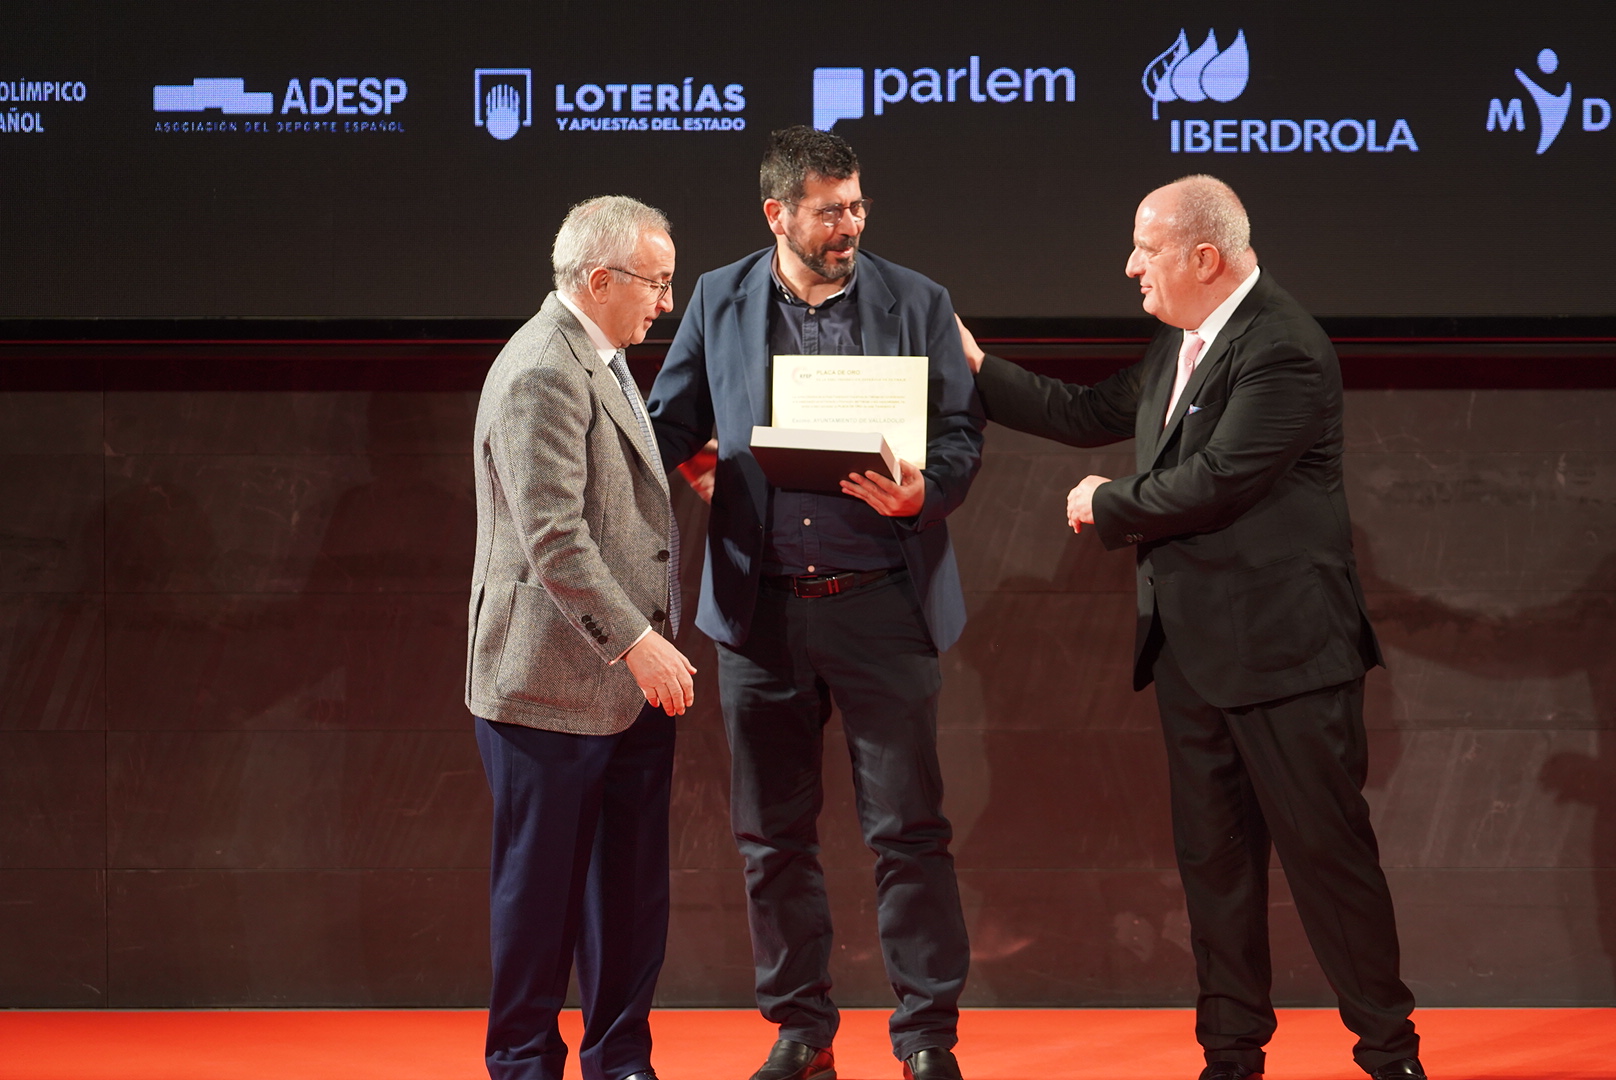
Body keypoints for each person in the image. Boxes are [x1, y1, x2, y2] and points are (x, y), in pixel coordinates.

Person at [956, 175, 1426, 1080]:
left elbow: (1218, 481)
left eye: (1147, 249)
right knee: (1215, 865)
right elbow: (1087, 412)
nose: (1131, 267)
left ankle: (1390, 1052)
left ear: (1204, 258)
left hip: (1287, 659)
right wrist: (979, 371)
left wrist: (1106, 501)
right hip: (1192, 655)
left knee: (1328, 860)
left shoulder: (1283, 346)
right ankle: (1231, 1055)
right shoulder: (1182, 341)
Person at [647, 126, 983, 1080]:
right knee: (772, 837)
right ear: (777, 215)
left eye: (858, 205)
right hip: (760, 613)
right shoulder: (717, 298)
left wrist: (925, 492)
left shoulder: (918, 300)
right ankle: (801, 1030)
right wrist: (696, 469)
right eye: (830, 210)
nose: (851, 224)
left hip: (883, 602)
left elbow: (961, 435)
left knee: (909, 831)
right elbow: (670, 421)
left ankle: (926, 1037)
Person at [466, 195, 696, 1080]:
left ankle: (620, 1061)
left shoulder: (601, 356)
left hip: (626, 688)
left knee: (629, 894)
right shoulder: (541, 369)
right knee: (542, 903)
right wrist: (637, 641)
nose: (666, 303)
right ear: (600, 280)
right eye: (656, 283)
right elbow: (553, 538)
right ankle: (524, 1065)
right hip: (549, 685)